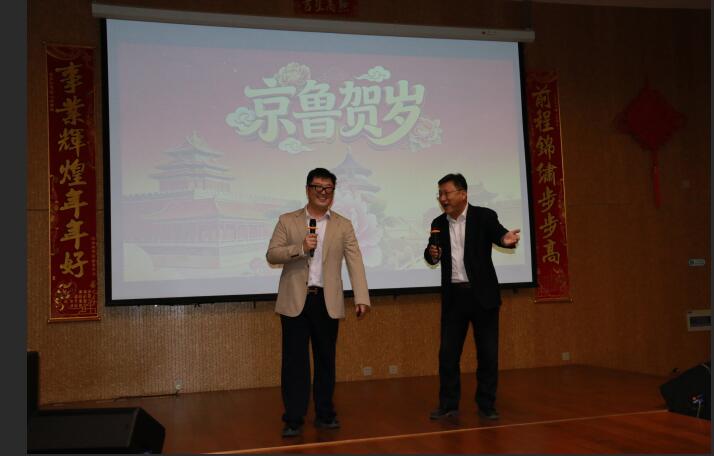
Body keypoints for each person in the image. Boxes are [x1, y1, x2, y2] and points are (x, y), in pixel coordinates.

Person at [266, 167, 371, 437]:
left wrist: (361, 297)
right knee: (294, 363)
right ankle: (293, 418)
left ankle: (325, 414)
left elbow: (355, 260)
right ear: (308, 190)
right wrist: (300, 248)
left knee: (326, 360)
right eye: (318, 187)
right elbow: (272, 254)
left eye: (328, 188)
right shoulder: (287, 221)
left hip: (327, 301)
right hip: (295, 301)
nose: (323, 192)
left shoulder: (343, 224)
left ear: (333, 192)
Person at [424, 173, 520, 421]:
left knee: (487, 354)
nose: (442, 198)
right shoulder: (438, 222)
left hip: (482, 296)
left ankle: (486, 405)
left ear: (463, 194)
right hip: (454, 297)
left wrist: (506, 240)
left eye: (446, 193)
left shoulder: (483, 216)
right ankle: (448, 405)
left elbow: (499, 234)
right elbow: (431, 255)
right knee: (448, 355)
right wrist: (431, 254)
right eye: (440, 194)